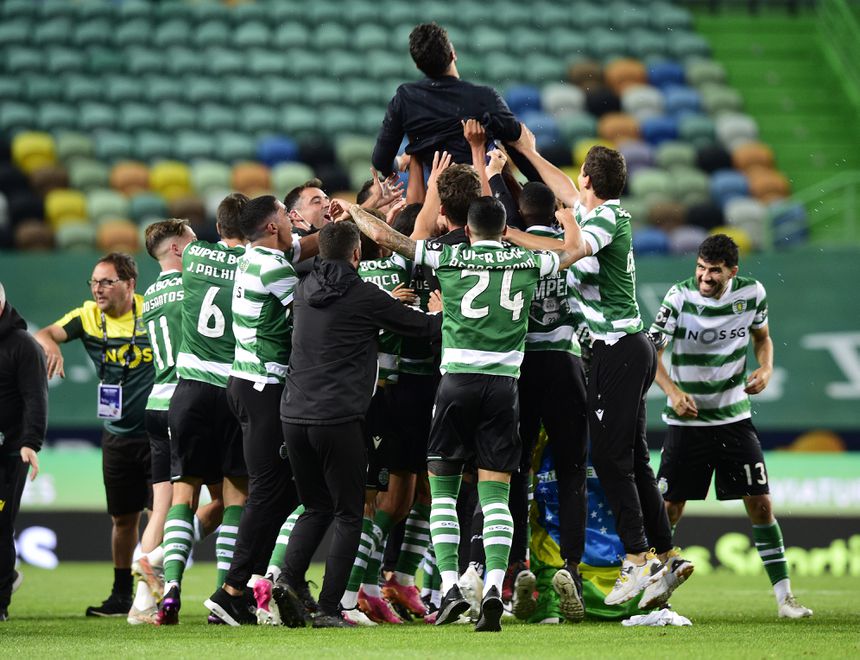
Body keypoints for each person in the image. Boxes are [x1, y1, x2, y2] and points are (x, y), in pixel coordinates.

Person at [350, 196, 581, 633]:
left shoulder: (450, 255)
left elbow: (384, 236)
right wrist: (568, 221)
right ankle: (494, 586)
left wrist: (354, 208)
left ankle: (453, 585)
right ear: (503, 228)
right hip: (505, 388)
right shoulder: (527, 262)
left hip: (456, 382)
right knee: (496, 494)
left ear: (470, 230)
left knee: (442, 490)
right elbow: (575, 250)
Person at [504, 127, 687, 607]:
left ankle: (637, 558)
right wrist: (525, 153)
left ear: (589, 178)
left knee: (608, 459)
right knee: (634, 459)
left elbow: (569, 254)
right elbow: (563, 190)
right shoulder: (600, 210)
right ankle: (666, 551)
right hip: (629, 348)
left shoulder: (605, 221)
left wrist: (508, 234)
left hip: (617, 351)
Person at [274, 221, 442, 629]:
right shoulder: (365, 295)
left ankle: (288, 580)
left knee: (315, 506)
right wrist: (437, 311)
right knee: (350, 514)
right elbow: (423, 329)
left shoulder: (301, 290)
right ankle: (331, 608)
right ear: (356, 255)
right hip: (338, 418)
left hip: (293, 416)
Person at [646, 234, 812, 619]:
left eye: (714, 272)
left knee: (760, 503)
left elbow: (763, 339)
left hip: (734, 419)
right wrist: (671, 391)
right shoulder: (679, 297)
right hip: (687, 422)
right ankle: (653, 595)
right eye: (701, 268)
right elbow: (651, 351)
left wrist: (767, 367)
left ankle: (785, 599)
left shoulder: (752, 294)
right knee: (668, 508)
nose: (705, 277)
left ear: (732, 272)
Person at [487, 160, 589, 624]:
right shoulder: (573, 239)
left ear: (519, 214)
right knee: (570, 471)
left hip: (522, 367)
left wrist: (492, 170)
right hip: (566, 364)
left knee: (514, 469)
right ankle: (572, 569)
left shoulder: (515, 248)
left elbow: (500, 213)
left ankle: (514, 570)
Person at [35, 254, 155, 617]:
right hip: (117, 435)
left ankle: (153, 592)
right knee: (123, 519)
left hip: (158, 434)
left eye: (106, 282)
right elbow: (44, 333)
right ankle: (121, 595)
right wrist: (51, 344)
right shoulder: (86, 316)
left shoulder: (153, 311)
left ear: (130, 284)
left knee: (157, 514)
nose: (98, 289)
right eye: (94, 282)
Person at [204, 195, 304, 627]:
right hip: (264, 386)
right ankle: (230, 591)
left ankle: (246, 589)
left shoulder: (250, 258)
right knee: (267, 490)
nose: (290, 219)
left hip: (244, 383)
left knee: (280, 489)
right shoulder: (276, 268)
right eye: (285, 213)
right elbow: (309, 316)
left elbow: (302, 247)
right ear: (270, 226)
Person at [131, 219, 225, 625]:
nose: (199, 246)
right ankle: (156, 559)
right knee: (222, 500)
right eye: (192, 240)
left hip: (156, 402)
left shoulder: (149, 295)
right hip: (187, 399)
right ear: (176, 250)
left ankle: (141, 604)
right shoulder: (192, 286)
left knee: (162, 509)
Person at [371, 22, 522, 176]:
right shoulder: (484, 98)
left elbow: (380, 161)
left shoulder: (405, 100)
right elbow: (517, 139)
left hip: (439, 196)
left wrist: (398, 163)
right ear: (452, 54)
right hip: (485, 192)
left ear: (417, 65)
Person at [0, 282, 47, 622]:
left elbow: (36, 398)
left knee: (0, 526)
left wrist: (30, 443)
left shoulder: (23, 347)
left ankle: (0, 599)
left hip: (9, 451)